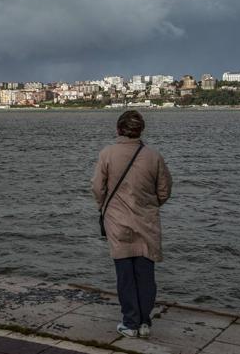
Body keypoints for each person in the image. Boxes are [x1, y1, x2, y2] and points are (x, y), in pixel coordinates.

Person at [91, 110, 172, 339]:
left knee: (125, 274)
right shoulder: (153, 156)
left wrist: (104, 206)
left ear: (118, 129)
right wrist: (149, 205)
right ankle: (145, 322)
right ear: (140, 130)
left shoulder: (107, 153)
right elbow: (165, 190)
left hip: (117, 222)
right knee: (145, 274)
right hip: (146, 221)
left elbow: (97, 187)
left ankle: (130, 322)